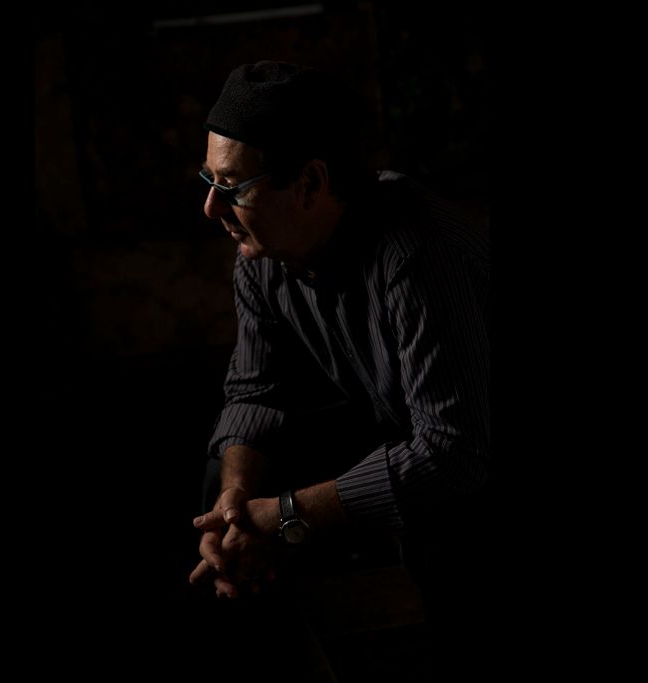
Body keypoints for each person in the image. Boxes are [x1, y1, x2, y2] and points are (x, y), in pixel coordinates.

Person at [188, 60, 493, 664]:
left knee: (448, 531)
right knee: (224, 479)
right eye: (208, 179)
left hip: (476, 457)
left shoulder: (420, 257)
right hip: (395, 429)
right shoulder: (262, 255)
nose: (210, 207)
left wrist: (288, 516)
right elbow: (255, 392)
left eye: (233, 186)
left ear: (310, 182)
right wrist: (237, 504)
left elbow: (453, 449)